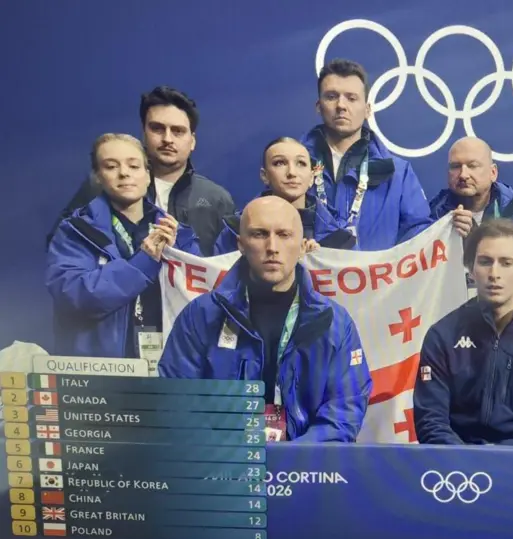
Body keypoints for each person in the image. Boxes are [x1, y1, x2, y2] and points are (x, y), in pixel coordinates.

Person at [159, 196, 372, 442]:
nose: (272, 247)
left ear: (302, 246)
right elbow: (178, 401)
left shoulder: (334, 322)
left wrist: (296, 457)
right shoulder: (201, 316)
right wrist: (231, 454)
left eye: (284, 235)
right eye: (259, 234)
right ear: (241, 244)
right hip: (222, 461)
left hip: (307, 462)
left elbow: (345, 407)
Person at [413, 219, 513, 447]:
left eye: (506, 263)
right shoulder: (443, 335)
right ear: (471, 269)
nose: (494, 273)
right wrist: (466, 462)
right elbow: (431, 422)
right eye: (485, 262)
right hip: (459, 462)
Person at [46, 134, 199, 359]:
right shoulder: (76, 232)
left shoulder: (178, 235)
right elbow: (76, 297)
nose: (124, 173)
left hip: (165, 367)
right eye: (111, 166)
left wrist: (180, 253)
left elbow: (197, 305)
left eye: (134, 166)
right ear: (98, 177)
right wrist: (143, 262)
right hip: (100, 369)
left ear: (148, 176)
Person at [48, 86, 235, 256]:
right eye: (157, 129)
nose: (167, 139)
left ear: (192, 140)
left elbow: (230, 266)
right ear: (144, 133)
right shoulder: (102, 186)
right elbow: (60, 245)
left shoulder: (216, 199)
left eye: (177, 131)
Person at [301, 59, 434, 251]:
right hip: (308, 270)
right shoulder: (292, 166)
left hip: (377, 272)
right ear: (318, 106)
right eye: (331, 96)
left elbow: (420, 236)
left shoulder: (398, 172)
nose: (341, 105)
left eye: (351, 98)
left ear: (367, 110)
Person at [212, 137, 351, 255]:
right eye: (280, 163)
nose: (292, 173)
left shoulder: (339, 239)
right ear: (265, 176)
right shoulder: (235, 231)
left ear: (311, 178)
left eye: (301, 163)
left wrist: (318, 263)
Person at [429, 136, 513, 235]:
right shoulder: (432, 217)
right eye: (456, 166)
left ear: (493, 173)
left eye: (472, 166)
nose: (463, 175)